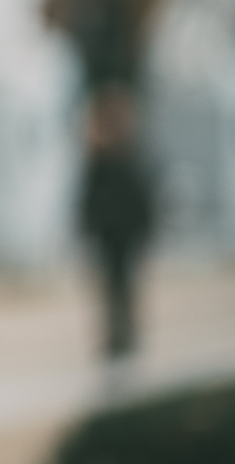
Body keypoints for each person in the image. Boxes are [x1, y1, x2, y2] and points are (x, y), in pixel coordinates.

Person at [81, 83, 155, 360]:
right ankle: (116, 337)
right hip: (109, 234)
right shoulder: (100, 163)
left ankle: (124, 336)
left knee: (122, 285)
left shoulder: (123, 161)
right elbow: (90, 201)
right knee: (111, 286)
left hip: (122, 234)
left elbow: (139, 200)